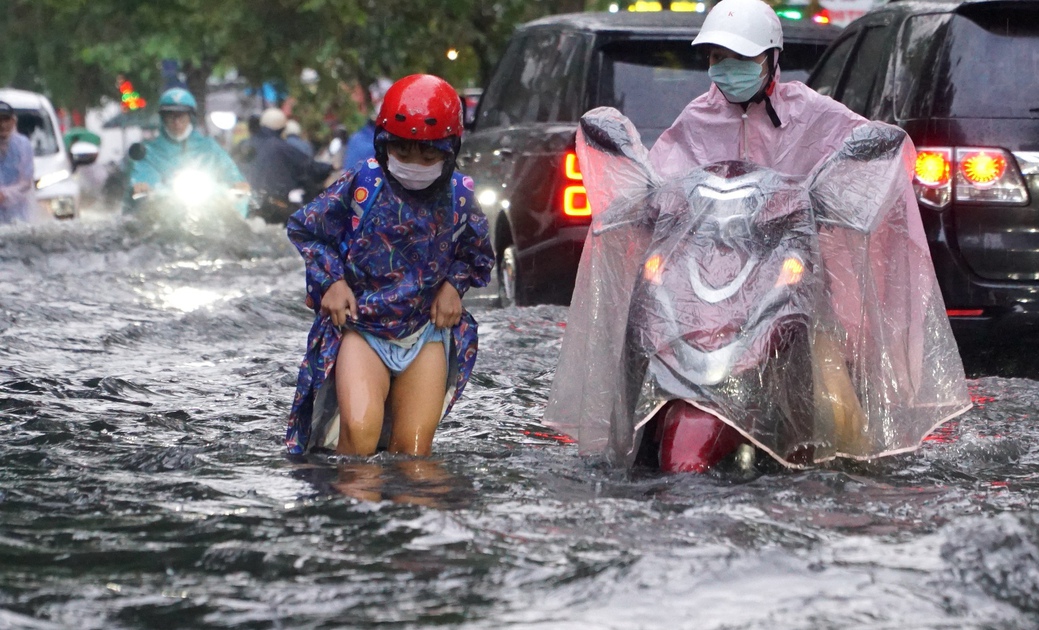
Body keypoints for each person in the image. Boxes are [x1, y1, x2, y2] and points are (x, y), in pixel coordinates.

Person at [544, 0, 969, 470]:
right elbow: (663, 181)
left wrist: (830, 198)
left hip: (789, 281)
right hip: (702, 287)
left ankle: (855, 470)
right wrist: (646, 199)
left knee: (835, 396)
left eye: (739, 58)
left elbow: (866, 158)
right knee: (642, 333)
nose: (725, 68)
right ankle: (622, 443)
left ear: (770, 59)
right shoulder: (696, 118)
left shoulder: (815, 114)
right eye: (716, 57)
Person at [284, 74, 495, 458]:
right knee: (359, 436)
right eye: (402, 152)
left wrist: (453, 286)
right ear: (383, 145)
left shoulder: (460, 194)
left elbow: (476, 253)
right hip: (362, 328)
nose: (415, 164)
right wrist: (332, 281)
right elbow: (306, 229)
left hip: (425, 332)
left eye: (429, 156)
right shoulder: (362, 181)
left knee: (413, 454)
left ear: (450, 150)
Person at [129, 88, 249, 203]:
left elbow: (228, 168)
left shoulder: (209, 146)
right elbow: (143, 174)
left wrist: (237, 183)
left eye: (181, 116)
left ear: (191, 117)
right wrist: (143, 186)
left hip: (209, 206)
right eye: (171, 116)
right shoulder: (150, 151)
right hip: (163, 209)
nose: (177, 122)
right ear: (163, 119)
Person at [242, 107, 332, 222]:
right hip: (275, 205)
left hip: (248, 204)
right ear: (282, 129)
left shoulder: (244, 145)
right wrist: (329, 167)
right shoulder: (282, 147)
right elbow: (310, 167)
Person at [0, 101, 35, 224]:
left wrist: (5, 194)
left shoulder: (23, 145)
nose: (2, 125)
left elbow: (26, 182)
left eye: (6, 119)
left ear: (13, 121)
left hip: (18, 215)